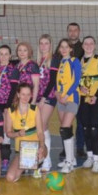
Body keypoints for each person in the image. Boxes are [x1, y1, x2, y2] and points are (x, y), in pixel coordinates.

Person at [5, 83, 47, 182]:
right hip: (21, 150)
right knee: (10, 178)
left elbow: (40, 132)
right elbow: (8, 133)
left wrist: (41, 146)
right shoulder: (10, 111)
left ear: (31, 95)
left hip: (35, 147)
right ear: (18, 94)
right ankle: (26, 165)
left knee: (40, 153)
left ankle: (37, 164)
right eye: (23, 94)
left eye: (28, 94)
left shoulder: (35, 109)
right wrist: (18, 134)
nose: (25, 97)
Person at [77, 36, 98, 172]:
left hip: (97, 98)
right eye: (86, 43)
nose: (88, 46)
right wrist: (80, 87)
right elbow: (76, 79)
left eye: (91, 43)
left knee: (94, 129)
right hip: (83, 98)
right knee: (85, 128)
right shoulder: (78, 60)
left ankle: (96, 160)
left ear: (94, 45)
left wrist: (96, 95)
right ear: (83, 46)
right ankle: (89, 157)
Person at [55, 38, 81, 173]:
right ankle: (71, 159)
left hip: (71, 99)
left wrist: (66, 95)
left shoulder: (74, 61)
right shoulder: (61, 62)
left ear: (71, 49)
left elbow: (77, 80)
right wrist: (58, 94)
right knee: (66, 129)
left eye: (66, 47)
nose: (64, 49)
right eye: (62, 47)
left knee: (64, 129)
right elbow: (58, 82)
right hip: (61, 100)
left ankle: (69, 162)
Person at [0, 44, 17, 169]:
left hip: (7, 105)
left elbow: (14, 89)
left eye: (6, 54)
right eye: (1, 54)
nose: (3, 56)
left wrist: (8, 107)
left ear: (10, 56)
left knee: (6, 132)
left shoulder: (13, 70)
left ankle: (6, 159)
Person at [37, 34, 60, 171]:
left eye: (46, 43)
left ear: (50, 45)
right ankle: (41, 159)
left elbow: (52, 81)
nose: (43, 46)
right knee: (41, 127)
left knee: (42, 125)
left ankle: (47, 160)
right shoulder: (39, 60)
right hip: (38, 97)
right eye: (41, 43)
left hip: (48, 96)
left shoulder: (54, 59)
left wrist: (43, 98)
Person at [66, 22, 86, 158]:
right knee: (66, 122)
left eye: (75, 30)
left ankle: (80, 148)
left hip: (79, 90)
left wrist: (83, 87)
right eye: (70, 30)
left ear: (79, 32)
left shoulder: (84, 47)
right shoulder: (63, 47)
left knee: (80, 122)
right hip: (65, 91)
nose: (73, 32)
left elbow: (85, 70)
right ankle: (66, 148)